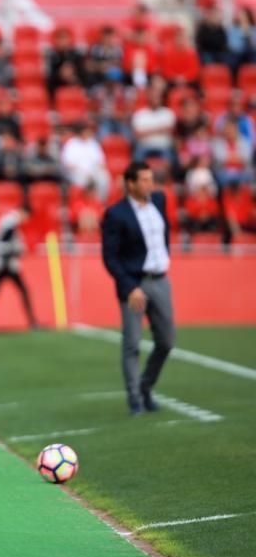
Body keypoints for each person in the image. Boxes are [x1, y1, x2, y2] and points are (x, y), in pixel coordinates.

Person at [101, 162, 174, 416]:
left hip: (161, 279)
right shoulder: (116, 214)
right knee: (132, 343)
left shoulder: (160, 201)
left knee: (166, 341)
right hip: (134, 284)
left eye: (150, 179)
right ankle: (134, 399)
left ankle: (145, 386)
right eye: (143, 180)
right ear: (129, 184)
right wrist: (130, 286)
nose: (149, 185)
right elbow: (110, 257)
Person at [0, 207, 38, 328]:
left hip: (5, 264)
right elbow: (4, 241)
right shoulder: (11, 222)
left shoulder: (9, 222)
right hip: (5, 264)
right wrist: (17, 249)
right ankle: (32, 322)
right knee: (22, 291)